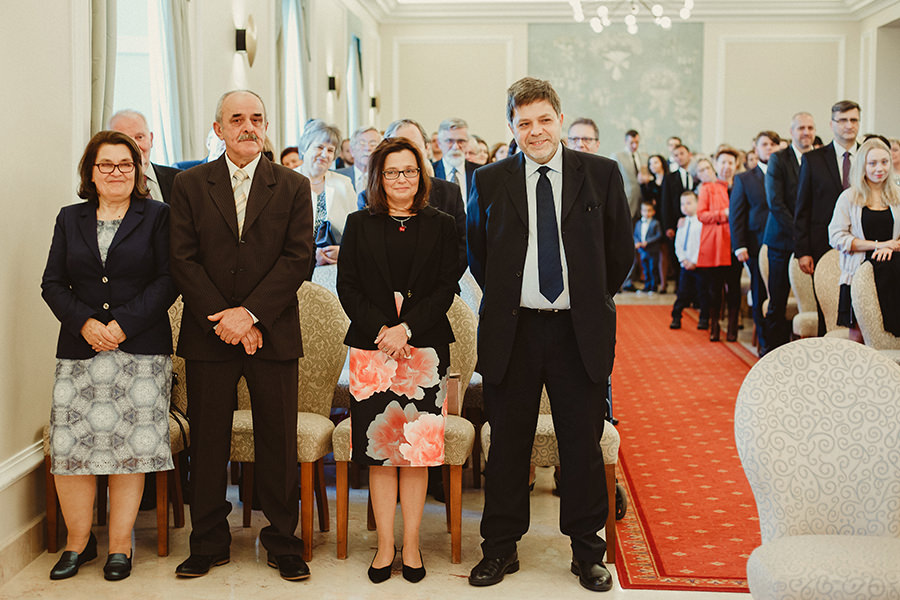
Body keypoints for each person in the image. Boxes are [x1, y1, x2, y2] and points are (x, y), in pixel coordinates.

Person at [467, 77, 633, 593]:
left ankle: (587, 552)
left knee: (580, 446)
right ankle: (500, 548)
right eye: (524, 123)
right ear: (511, 128)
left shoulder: (601, 174)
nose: (535, 131)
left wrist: (585, 299)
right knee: (507, 447)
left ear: (560, 119)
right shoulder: (489, 180)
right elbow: (479, 255)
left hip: (576, 331)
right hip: (513, 332)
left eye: (544, 120)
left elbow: (619, 253)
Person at [169, 90, 313, 581]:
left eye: (257, 118)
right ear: (219, 129)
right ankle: (207, 542)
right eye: (237, 119)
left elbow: (298, 258)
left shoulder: (293, 185)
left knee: (278, 441)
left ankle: (283, 542)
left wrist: (250, 316)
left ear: (266, 125)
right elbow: (182, 258)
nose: (248, 126)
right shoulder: (189, 185)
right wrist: (226, 319)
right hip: (209, 334)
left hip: (273, 332)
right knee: (209, 442)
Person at [41, 130, 176, 581]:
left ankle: (121, 545)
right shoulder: (70, 218)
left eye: (125, 164)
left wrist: (121, 324)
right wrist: (85, 322)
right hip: (79, 351)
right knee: (70, 448)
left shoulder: (158, 216)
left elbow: (168, 280)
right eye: (106, 164)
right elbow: (52, 283)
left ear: (137, 171)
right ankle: (78, 543)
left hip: (139, 352)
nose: (116, 172)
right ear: (91, 172)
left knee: (130, 450)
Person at [337, 137, 458, 584]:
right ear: (378, 178)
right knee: (380, 452)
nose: (401, 179)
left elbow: (446, 287)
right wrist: (383, 331)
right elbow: (347, 287)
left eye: (409, 171)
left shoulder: (442, 224)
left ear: (421, 176)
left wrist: (406, 329)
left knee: (416, 454)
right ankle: (385, 545)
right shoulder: (358, 224)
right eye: (392, 172)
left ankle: (411, 544)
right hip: (373, 353)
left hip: (423, 351)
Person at [357, 118, 468, 281]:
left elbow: (462, 245)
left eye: (413, 146)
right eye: (398, 146)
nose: (405, 154)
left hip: (438, 287)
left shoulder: (449, 192)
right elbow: (364, 256)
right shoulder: (367, 197)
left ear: (426, 149)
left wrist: (438, 284)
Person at [795, 100, 861, 334]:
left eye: (853, 120)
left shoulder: (868, 156)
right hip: (822, 245)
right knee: (828, 310)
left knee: (861, 310)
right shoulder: (813, 159)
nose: (848, 125)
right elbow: (802, 207)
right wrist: (803, 250)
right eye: (842, 120)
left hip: (862, 244)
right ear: (832, 124)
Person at [828, 137, 900, 334]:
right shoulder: (849, 197)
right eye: (872, 163)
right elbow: (836, 237)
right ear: (862, 166)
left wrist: (892, 246)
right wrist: (878, 245)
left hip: (894, 273)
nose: (880, 168)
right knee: (859, 337)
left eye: (884, 162)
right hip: (858, 274)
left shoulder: (898, 196)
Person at [763, 112, 816, 350]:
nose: (806, 132)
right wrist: (799, 234)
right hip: (782, 240)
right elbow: (776, 203)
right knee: (778, 300)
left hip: (813, 240)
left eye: (810, 128)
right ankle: (772, 353)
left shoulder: (819, 158)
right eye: (801, 128)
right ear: (792, 131)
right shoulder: (779, 159)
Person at [730, 131, 779, 356]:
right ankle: (765, 342)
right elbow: (737, 214)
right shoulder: (744, 178)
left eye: (774, 144)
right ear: (756, 148)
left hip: (783, 242)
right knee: (760, 292)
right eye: (765, 144)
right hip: (756, 243)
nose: (770, 147)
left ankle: (780, 339)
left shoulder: (788, 174)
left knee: (779, 292)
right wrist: (739, 245)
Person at [295, 120, 356, 268]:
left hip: (333, 266)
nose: (324, 154)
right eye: (319, 147)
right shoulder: (287, 181)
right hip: (295, 265)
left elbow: (356, 231)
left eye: (330, 150)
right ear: (304, 148)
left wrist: (343, 251)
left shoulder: (343, 183)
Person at [696, 152, 742, 342]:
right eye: (723, 162)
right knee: (715, 288)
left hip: (736, 244)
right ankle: (714, 325)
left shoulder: (741, 185)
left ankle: (732, 327)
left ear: (736, 165)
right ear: (716, 165)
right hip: (716, 243)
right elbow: (701, 215)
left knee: (734, 288)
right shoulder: (708, 188)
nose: (726, 166)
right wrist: (724, 214)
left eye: (730, 162)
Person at [108, 110, 180, 204]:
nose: (135, 146)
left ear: (151, 139)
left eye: (140, 137)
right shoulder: (109, 186)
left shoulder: (178, 179)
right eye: (124, 140)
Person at [669, 191, 706, 329]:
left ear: (698, 204)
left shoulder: (701, 223)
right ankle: (676, 316)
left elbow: (702, 243)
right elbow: (678, 243)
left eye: (689, 203)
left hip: (699, 264)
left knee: (702, 293)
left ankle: (704, 318)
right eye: (682, 204)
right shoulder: (682, 223)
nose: (685, 207)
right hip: (685, 265)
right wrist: (683, 259)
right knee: (682, 293)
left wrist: (694, 261)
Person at [433, 118, 479, 203]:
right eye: (449, 141)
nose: (455, 147)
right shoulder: (429, 173)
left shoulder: (479, 173)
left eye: (461, 141)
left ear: (467, 143)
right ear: (439, 143)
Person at [337, 127, 383, 192]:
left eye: (373, 144)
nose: (367, 148)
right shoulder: (338, 176)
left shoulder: (384, 178)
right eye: (362, 144)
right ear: (352, 151)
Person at [634, 200, 662, 295]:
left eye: (649, 210)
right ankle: (647, 285)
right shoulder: (638, 223)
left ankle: (654, 287)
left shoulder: (655, 223)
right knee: (645, 269)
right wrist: (637, 242)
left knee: (653, 268)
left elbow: (658, 235)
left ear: (653, 212)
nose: (647, 213)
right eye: (645, 210)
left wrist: (648, 242)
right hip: (642, 251)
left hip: (652, 250)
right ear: (641, 211)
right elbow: (635, 235)